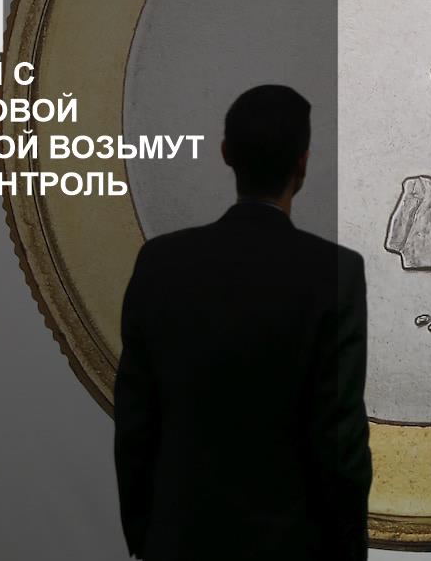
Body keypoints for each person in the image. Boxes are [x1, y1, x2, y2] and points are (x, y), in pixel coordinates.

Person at [113, 85, 372, 560]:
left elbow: (136, 420)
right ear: (302, 163)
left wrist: (145, 534)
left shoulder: (161, 263)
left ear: (226, 153)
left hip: (180, 540)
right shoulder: (334, 274)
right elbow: (340, 440)